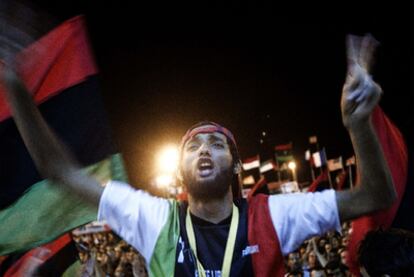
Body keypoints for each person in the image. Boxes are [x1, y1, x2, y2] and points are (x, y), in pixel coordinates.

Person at [1, 31, 396, 276]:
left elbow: (375, 196)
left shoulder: (274, 215)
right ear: (182, 168)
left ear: (236, 166)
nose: (204, 149)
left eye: (217, 144)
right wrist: (15, 86)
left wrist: (359, 126)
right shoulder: (153, 217)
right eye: (193, 145)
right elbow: (59, 171)